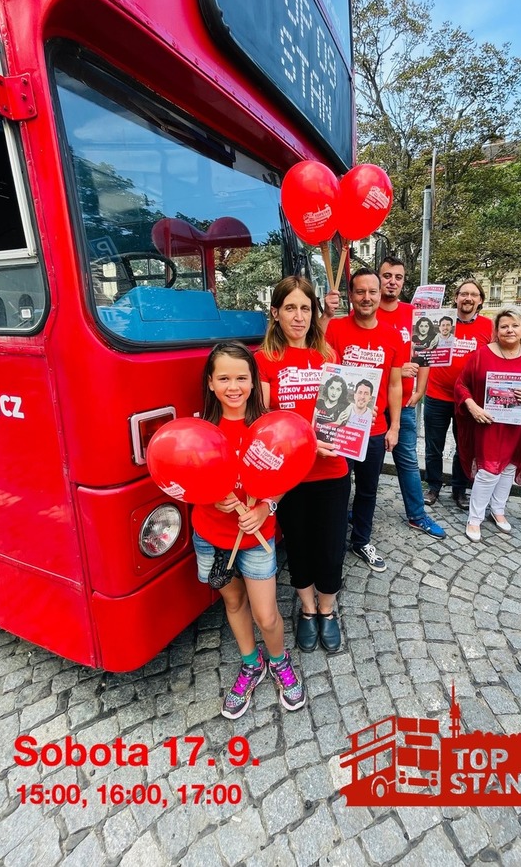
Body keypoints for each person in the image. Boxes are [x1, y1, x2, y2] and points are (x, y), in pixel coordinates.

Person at [192, 342, 305, 717]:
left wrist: (266, 505)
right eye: (224, 378)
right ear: (210, 383)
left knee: (267, 614)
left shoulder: (270, 425)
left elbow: (287, 475)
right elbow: (187, 478)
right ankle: (251, 663)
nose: (233, 386)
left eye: (242, 377)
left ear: (254, 382)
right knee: (234, 601)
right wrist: (208, 498)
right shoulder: (200, 429)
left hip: (257, 535)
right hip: (210, 533)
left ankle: (279, 660)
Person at [256, 277, 350, 653]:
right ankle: (307, 609)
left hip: (332, 470)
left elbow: (342, 410)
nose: (299, 316)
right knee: (298, 544)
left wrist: (359, 415)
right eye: (290, 308)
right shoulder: (263, 361)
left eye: (306, 308)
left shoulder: (328, 355)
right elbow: (262, 423)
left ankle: (328, 610)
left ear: (314, 313)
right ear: (276, 313)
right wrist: (304, 445)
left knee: (330, 545)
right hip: (289, 475)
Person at [325, 269, 404, 572]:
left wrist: (394, 426)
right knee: (338, 489)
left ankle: (361, 540)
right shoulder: (334, 329)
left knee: (368, 490)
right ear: (351, 295)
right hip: (340, 429)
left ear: (380, 293)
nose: (367, 297)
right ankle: (333, 543)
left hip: (375, 430)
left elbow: (394, 385)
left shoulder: (392, 335)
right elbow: (326, 378)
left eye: (372, 291)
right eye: (360, 292)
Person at [454, 308, 521, 542]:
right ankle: (475, 518)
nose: (509, 330)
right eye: (504, 326)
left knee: (509, 468)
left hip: (517, 425)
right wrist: (472, 406)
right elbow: (461, 385)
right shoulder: (481, 355)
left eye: (514, 325)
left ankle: (498, 510)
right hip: (488, 423)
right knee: (488, 470)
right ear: (496, 331)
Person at [374, 256, 445, 539]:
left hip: (403, 402)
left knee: (407, 461)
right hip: (372, 405)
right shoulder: (367, 311)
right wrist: (394, 368)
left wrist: (421, 389)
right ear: (379, 278)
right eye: (387, 275)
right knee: (365, 463)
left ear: (404, 282)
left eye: (398, 277)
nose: (392, 281)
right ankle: (356, 510)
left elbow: (424, 355)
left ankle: (417, 515)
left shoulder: (415, 313)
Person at [423, 279, 494, 510]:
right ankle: (433, 485)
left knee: (464, 446)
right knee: (434, 446)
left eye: (474, 295)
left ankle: (459, 489)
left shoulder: (488, 326)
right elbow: (423, 348)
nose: (468, 298)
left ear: (480, 300)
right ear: (456, 297)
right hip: (437, 393)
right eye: (464, 294)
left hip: (468, 399)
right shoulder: (441, 321)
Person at [313, 374, 349, 442]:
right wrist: (336, 423)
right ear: (327, 388)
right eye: (332, 388)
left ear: (342, 392)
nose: (334, 393)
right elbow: (312, 427)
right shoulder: (319, 403)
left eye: (338, 389)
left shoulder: (344, 407)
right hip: (316, 441)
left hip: (334, 445)